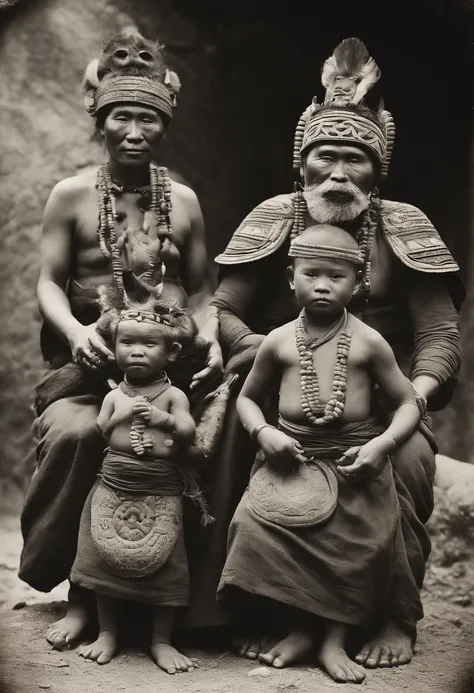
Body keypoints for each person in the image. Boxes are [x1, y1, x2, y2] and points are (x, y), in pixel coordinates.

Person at [189, 37, 463, 668]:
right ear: (302, 163)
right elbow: (221, 309)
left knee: (414, 462)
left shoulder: (406, 227)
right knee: (231, 433)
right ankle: (251, 608)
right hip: (279, 384)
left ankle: (393, 616)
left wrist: (409, 402)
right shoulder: (275, 217)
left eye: (355, 160)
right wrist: (270, 357)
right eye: (325, 157)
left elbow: (439, 337)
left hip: (382, 400)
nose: (339, 173)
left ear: (379, 168)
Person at [18, 28, 222, 650]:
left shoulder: (182, 201)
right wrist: (78, 329)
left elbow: (204, 290)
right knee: (83, 434)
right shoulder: (71, 196)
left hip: (168, 365)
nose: (134, 131)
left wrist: (208, 338)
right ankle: (82, 594)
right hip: (93, 362)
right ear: (100, 121)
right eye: (121, 117)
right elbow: (49, 284)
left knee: (190, 439)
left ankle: (183, 602)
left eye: (147, 119)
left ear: (164, 124)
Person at [218, 225, 422, 683]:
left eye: (338, 276)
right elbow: (248, 398)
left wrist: (380, 446)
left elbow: (409, 402)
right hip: (291, 459)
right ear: (291, 278)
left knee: (357, 542)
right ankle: (298, 629)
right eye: (311, 274)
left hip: (354, 464)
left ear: (359, 282)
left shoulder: (369, 341)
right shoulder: (277, 340)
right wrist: (263, 433)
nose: (324, 285)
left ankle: (332, 640)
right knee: (252, 527)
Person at [71, 287, 210, 673]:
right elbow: (101, 430)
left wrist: (162, 419)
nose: (136, 351)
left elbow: (187, 431)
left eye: (149, 344)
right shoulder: (115, 395)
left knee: (167, 563)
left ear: (172, 353)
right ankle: (107, 632)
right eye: (127, 342)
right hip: (114, 482)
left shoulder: (174, 394)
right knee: (102, 558)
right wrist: (122, 413)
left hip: (159, 487)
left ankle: (161, 640)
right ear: (114, 347)